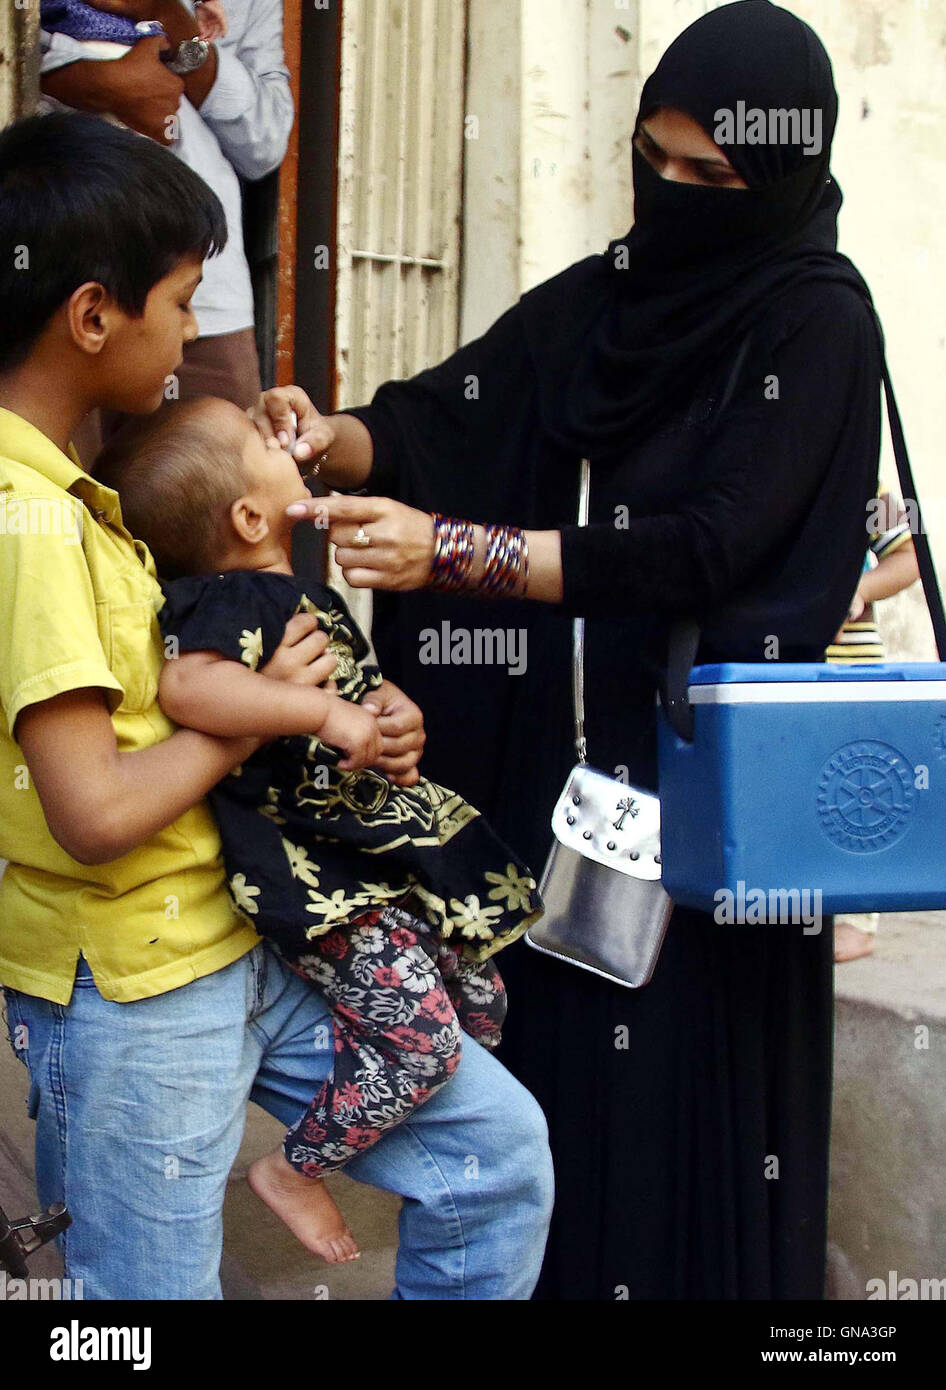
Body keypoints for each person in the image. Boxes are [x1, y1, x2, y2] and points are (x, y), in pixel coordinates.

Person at [253, 0, 889, 1298]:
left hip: (712, 806)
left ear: (781, 172)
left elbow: (702, 547)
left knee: (688, 1114)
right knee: (568, 1110)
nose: (667, 194)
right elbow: (455, 416)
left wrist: (459, 555)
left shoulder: (815, 322)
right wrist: (329, 439)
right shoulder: (608, 296)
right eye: (648, 159)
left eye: (704, 177)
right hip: (577, 802)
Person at [0, 111, 554, 1300]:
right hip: (136, 985)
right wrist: (263, 714)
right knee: (136, 1307)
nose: (194, 333)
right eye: (184, 299)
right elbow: (94, 809)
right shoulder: (30, 518)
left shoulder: (81, 490)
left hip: (248, 934)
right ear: (94, 314)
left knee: (492, 1157)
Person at [93, 395, 542, 1264]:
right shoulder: (225, 600)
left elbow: (356, 703)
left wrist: (389, 718)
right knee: (428, 1044)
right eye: (261, 439)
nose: (282, 435)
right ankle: (298, 1168)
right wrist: (316, 713)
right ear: (250, 515)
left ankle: (380, 1070)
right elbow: (193, 691)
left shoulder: (302, 592)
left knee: (481, 998)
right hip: (318, 888)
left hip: (369, 864)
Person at [39, 0, 293, 425]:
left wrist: (170, 16)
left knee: (207, 480)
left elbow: (263, 145)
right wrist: (83, 79)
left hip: (201, 303)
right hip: (53, 277)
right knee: (50, 482)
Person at [827, 488, 919, 962]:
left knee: (859, 794)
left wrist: (859, 589)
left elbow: (911, 557)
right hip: (776, 670)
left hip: (851, 670)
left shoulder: (865, 484)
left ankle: (859, 920)